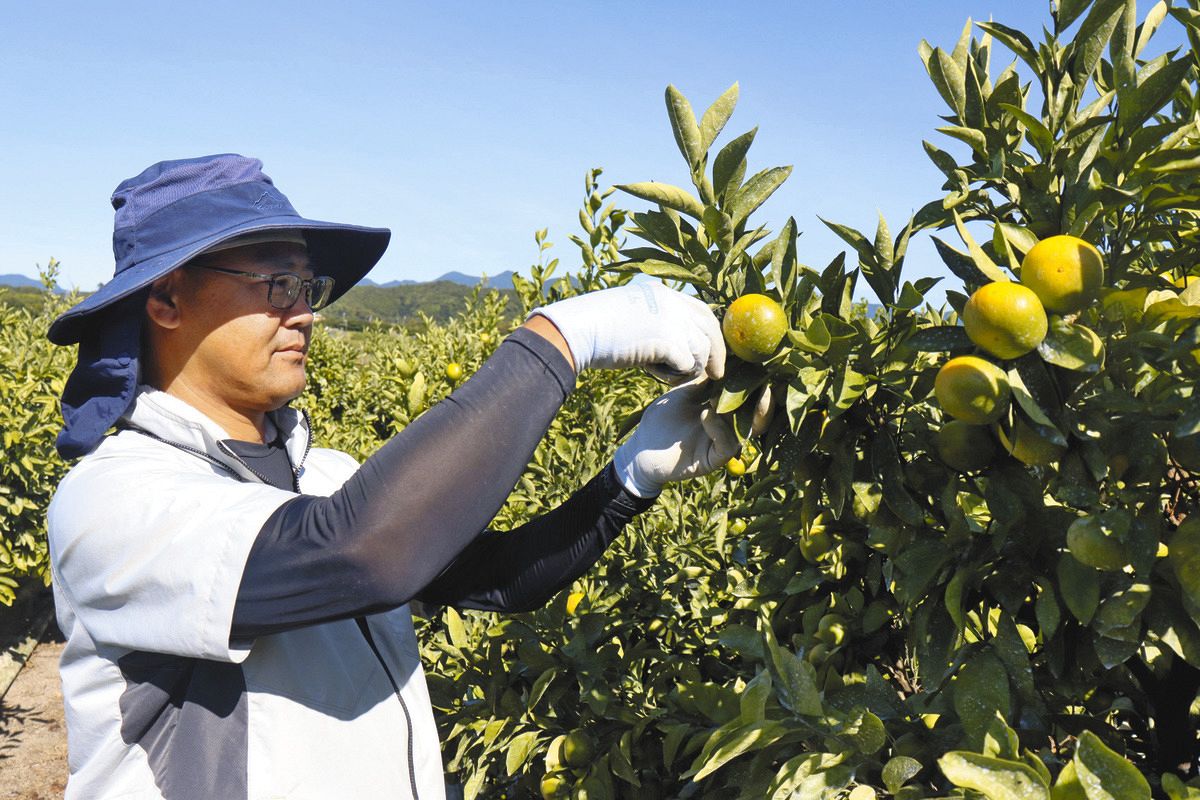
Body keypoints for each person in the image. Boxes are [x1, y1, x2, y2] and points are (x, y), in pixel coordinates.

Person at [45, 154, 742, 799]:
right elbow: (360, 554)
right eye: (276, 284)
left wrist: (631, 478)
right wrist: (561, 341)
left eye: (308, 286)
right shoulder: (114, 499)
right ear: (165, 300)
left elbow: (497, 578)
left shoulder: (325, 479)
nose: (306, 312)